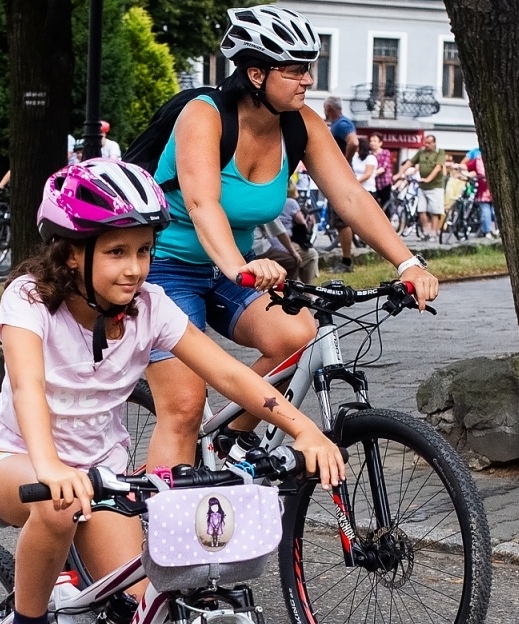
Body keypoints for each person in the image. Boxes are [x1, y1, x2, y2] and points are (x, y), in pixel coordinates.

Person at [0, 160, 345, 624]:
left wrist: (305, 430)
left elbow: (229, 373)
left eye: (144, 250)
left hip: (102, 473)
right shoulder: (30, 300)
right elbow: (26, 387)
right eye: (117, 252)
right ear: (72, 253)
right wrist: (50, 466)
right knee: (57, 505)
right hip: (18, 460)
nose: (135, 267)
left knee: (143, 600)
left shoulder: (147, 309)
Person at [142, 4, 439, 473]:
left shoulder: (300, 124)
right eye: (295, 70)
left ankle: (227, 441)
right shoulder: (205, 116)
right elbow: (202, 204)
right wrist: (239, 267)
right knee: (183, 406)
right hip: (165, 266)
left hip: (231, 267)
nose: (307, 80)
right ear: (256, 74)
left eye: (309, 68)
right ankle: (160, 515)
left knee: (298, 335)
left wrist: (408, 264)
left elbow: (350, 196)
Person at [322, 95, 359, 270]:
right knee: (341, 221)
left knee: (342, 220)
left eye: (325, 108)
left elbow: (354, 142)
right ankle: (346, 260)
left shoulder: (342, 124)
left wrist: (344, 162)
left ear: (329, 108)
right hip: (337, 176)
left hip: (340, 177)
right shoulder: (338, 124)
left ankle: (346, 262)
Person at [403, 133, 448, 240]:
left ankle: (433, 233)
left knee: (434, 211)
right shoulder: (421, 152)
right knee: (421, 209)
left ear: (434, 143)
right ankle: (426, 231)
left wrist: (428, 179)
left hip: (435, 186)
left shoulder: (440, 152)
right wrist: (400, 173)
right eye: (425, 143)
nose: (426, 145)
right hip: (422, 187)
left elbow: (438, 167)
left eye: (429, 143)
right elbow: (410, 162)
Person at [466, 147, 496, 237]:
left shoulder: (478, 159)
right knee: (494, 210)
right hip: (495, 190)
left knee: (485, 209)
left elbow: (468, 167)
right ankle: (497, 230)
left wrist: (458, 167)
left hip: (484, 190)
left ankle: (487, 231)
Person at [368, 134, 393, 213]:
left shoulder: (385, 153)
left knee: (385, 205)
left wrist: (370, 174)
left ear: (380, 143)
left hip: (384, 183)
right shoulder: (368, 154)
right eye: (371, 141)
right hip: (373, 184)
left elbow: (383, 168)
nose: (372, 143)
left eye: (375, 141)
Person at [351, 137, 378, 206]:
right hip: (356, 188)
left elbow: (368, 174)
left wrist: (356, 182)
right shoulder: (355, 156)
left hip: (368, 188)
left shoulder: (370, 158)